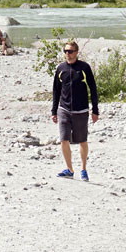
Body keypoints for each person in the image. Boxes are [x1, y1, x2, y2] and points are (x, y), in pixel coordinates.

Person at [51, 41, 99, 181]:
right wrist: (54, 111)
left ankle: (83, 169)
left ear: (76, 52)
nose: (67, 54)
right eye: (65, 51)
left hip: (81, 110)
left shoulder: (84, 68)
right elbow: (56, 91)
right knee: (63, 140)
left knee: (82, 140)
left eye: (70, 51)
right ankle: (69, 169)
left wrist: (95, 110)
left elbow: (93, 89)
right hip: (64, 109)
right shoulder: (60, 69)